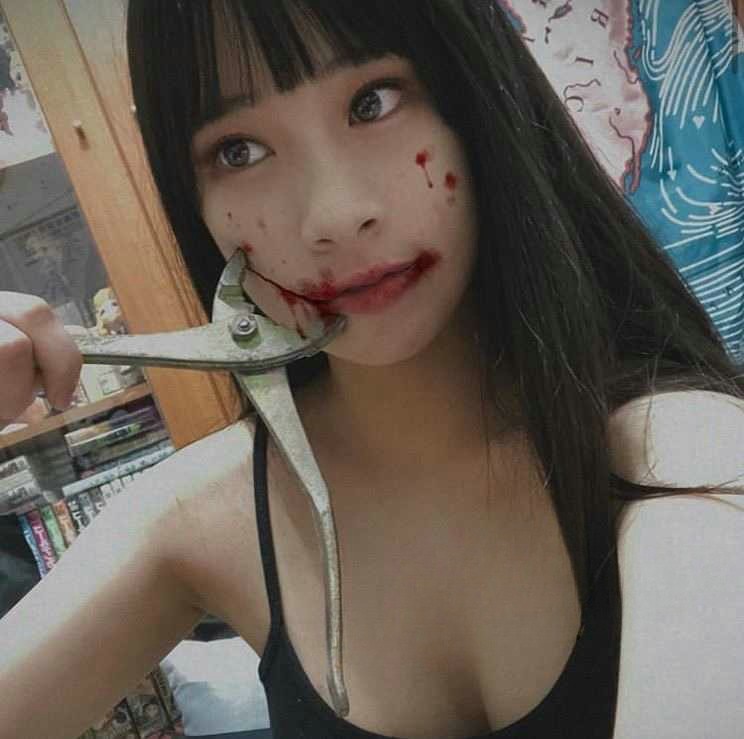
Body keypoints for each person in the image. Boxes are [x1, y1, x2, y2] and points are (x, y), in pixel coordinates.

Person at [1, 1, 744, 737]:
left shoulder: (682, 449)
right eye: (239, 151)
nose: (332, 215)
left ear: (473, 100)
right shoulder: (198, 518)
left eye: (372, 102)